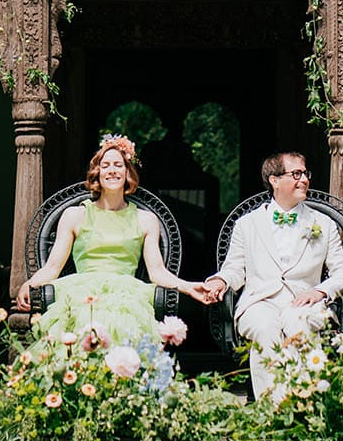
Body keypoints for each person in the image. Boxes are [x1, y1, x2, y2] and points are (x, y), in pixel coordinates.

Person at [13, 134, 213, 344]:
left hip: (126, 294)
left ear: (128, 172)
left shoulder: (146, 220)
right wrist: (30, 283)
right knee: (86, 317)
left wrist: (189, 287)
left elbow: (157, 272)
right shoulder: (75, 215)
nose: (112, 170)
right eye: (105, 165)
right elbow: (53, 266)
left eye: (118, 165)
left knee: (120, 320)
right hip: (83, 290)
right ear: (97, 173)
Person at [202, 151, 343, 398]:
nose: (304, 179)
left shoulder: (324, 223)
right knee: (265, 328)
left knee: (300, 323)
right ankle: (273, 413)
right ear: (274, 180)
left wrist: (319, 291)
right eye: (296, 174)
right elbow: (234, 269)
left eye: (305, 173)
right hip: (259, 302)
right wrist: (219, 281)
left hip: (303, 303)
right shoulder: (247, 224)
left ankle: (303, 407)